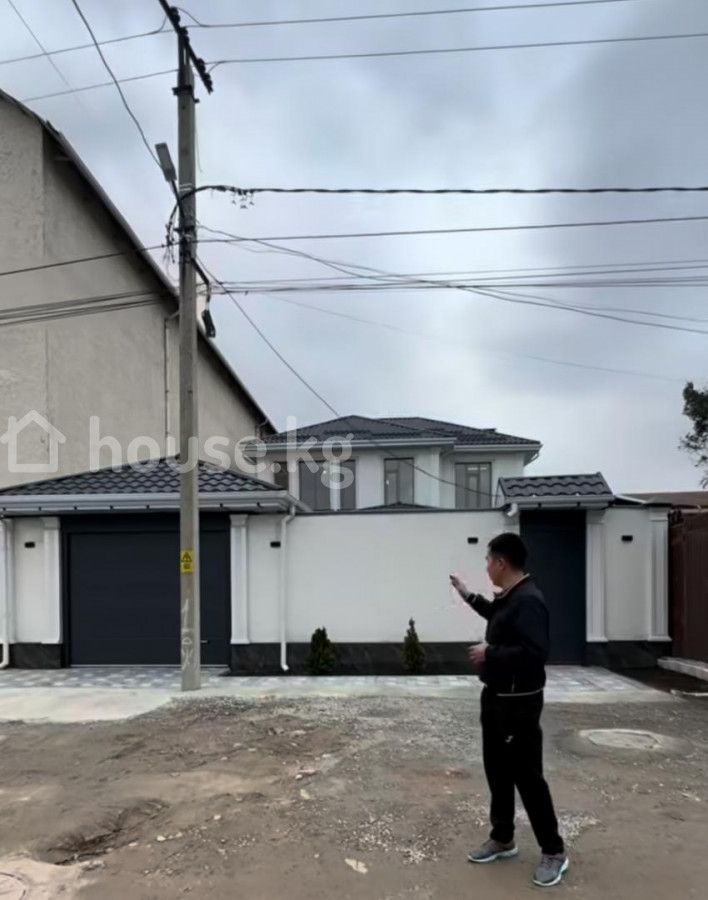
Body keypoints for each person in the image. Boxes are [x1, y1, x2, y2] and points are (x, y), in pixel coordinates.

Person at [450, 532, 568, 888]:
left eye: (489, 560)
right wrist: (468, 595)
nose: (487, 566)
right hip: (496, 697)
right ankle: (502, 838)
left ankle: (554, 851)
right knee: (497, 771)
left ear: (501, 563)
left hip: (519, 704)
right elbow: (496, 615)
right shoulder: (511, 596)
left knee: (528, 778)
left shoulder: (529, 600)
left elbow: (535, 653)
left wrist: (490, 653)